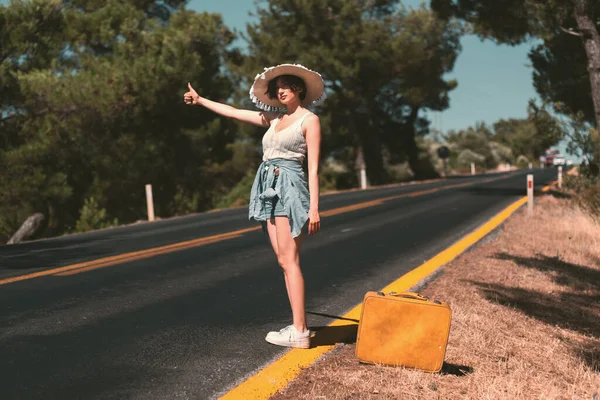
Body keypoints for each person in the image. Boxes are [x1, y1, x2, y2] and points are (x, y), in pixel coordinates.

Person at [183, 63, 326, 349]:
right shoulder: (274, 118)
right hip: (267, 186)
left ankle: (299, 330)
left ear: (298, 89)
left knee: (290, 260)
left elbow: (313, 168)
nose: (281, 91)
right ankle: (298, 325)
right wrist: (200, 101)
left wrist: (314, 207)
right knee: (284, 261)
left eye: (286, 86)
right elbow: (235, 112)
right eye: (277, 88)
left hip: (289, 186)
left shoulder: (309, 120)